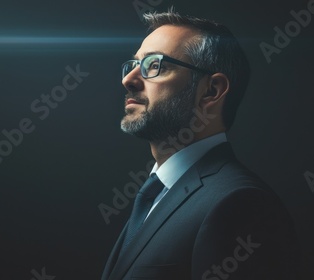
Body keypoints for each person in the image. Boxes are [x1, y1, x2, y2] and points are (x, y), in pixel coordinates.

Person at [102, 9, 300, 280]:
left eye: (154, 65)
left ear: (211, 91)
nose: (129, 80)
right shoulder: (156, 195)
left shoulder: (240, 204)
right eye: (133, 65)